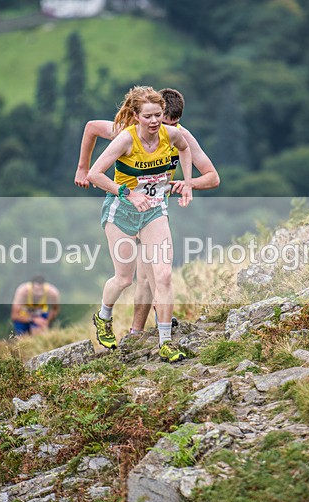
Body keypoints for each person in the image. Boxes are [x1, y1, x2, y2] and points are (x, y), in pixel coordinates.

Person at [75, 88, 220, 335]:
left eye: (172, 123)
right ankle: (136, 331)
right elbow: (91, 127)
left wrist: (186, 183)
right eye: (162, 121)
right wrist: (82, 168)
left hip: (154, 211)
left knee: (154, 277)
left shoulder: (178, 136)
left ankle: (142, 332)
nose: (163, 127)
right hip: (126, 207)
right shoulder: (130, 131)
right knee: (133, 278)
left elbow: (212, 177)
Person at [86, 86, 193, 362]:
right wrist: (128, 193)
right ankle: (104, 316)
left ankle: (166, 342)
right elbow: (95, 174)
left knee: (164, 276)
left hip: (154, 212)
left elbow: (185, 148)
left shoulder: (171, 134)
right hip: (121, 212)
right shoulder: (125, 140)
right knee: (124, 278)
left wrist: (188, 183)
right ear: (136, 116)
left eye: (158, 115)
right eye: (148, 116)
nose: (155, 121)